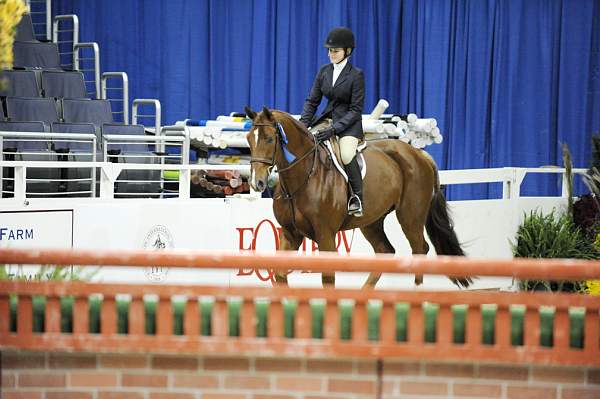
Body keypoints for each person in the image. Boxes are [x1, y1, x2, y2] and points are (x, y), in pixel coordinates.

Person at [300, 26, 365, 217]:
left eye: (335, 51)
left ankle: (357, 197)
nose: (331, 54)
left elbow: (356, 110)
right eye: (329, 50)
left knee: (345, 155)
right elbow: (312, 101)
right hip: (326, 121)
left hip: (348, 126)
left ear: (348, 51)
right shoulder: (324, 72)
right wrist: (303, 125)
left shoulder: (356, 75)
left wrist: (335, 129)